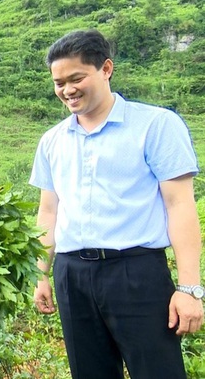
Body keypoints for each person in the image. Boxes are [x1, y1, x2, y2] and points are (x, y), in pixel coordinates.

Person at [30, 29, 203, 379]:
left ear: (106, 68)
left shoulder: (156, 125)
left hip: (136, 273)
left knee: (158, 372)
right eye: (59, 82)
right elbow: (48, 212)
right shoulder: (52, 141)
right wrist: (41, 274)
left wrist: (189, 288)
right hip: (72, 274)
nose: (67, 90)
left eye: (76, 78)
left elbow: (180, 207)